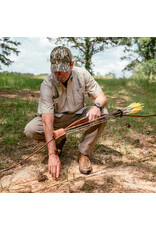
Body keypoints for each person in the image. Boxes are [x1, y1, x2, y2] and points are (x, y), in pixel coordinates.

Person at [24, 46, 108, 179]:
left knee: (103, 113)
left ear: (71, 65)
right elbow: (47, 120)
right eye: (55, 71)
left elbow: (101, 97)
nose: (59, 75)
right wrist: (52, 154)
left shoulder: (82, 74)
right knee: (31, 129)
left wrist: (96, 106)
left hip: (78, 116)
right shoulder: (47, 84)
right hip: (56, 120)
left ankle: (84, 153)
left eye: (63, 70)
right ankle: (58, 141)